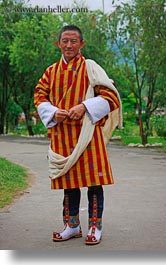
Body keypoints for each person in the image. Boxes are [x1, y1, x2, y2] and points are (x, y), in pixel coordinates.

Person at [34, 25, 121, 245]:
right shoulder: (50, 72)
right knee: (69, 183)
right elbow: (39, 96)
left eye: (74, 41)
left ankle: (95, 226)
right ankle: (72, 225)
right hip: (63, 136)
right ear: (58, 44)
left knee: (93, 183)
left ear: (82, 44)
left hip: (88, 135)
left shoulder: (92, 69)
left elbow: (111, 97)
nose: (69, 45)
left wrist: (84, 106)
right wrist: (54, 112)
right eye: (65, 41)